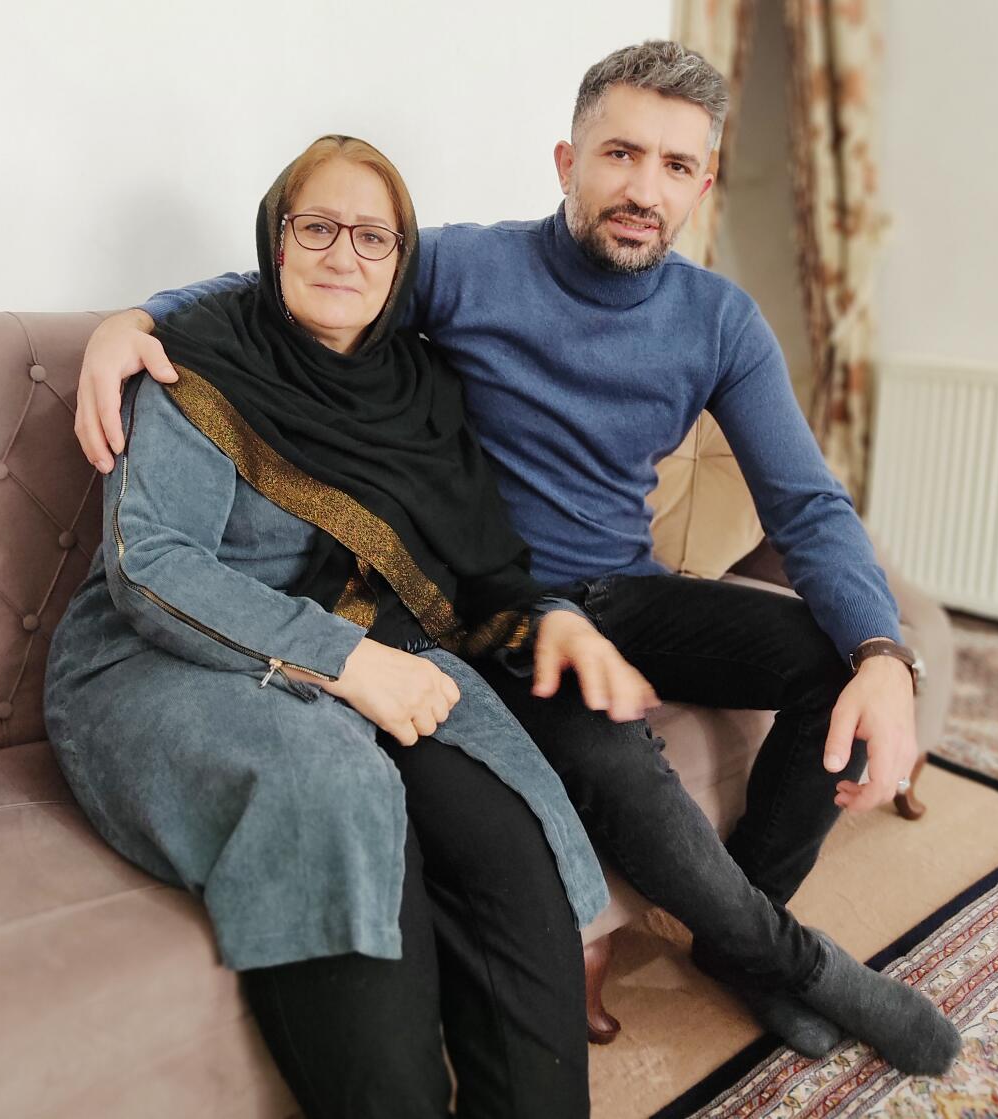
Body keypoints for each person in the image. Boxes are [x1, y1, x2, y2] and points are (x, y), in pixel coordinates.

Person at [68, 89, 962, 1078]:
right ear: (566, 161)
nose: (643, 186)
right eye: (619, 153)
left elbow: (806, 505)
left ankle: (742, 943)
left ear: (702, 185)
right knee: (616, 766)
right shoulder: (461, 266)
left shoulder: (721, 320)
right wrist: (134, 320)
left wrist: (883, 654)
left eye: (675, 165)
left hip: (612, 594)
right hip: (494, 608)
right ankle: (793, 962)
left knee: (831, 661)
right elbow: (300, 280)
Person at [46, 135, 630, 1119]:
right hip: (165, 653)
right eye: (315, 227)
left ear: (403, 261)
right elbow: (152, 568)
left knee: (506, 827)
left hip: (371, 646)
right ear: (277, 242)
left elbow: (482, 558)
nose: (341, 255)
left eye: (374, 237)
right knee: (336, 789)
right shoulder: (197, 361)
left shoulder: (423, 387)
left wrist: (552, 618)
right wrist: (343, 661)